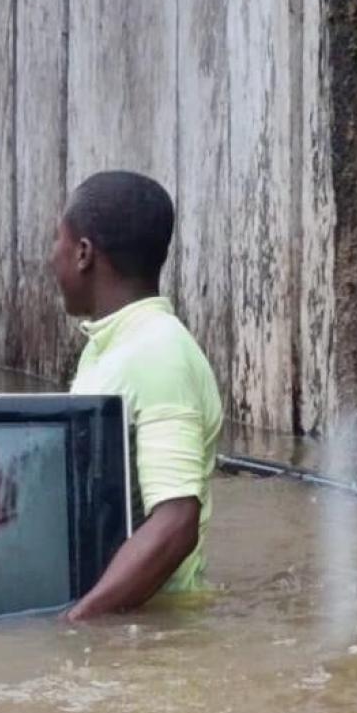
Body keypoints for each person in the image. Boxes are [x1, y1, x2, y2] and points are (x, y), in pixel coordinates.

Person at [50, 171, 223, 620]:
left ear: (84, 253)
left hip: (152, 633)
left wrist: (78, 621)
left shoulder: (158, 353)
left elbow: (176, 522)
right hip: (121, 619)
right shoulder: (109, 347)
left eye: (58, 241)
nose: (53, 258)